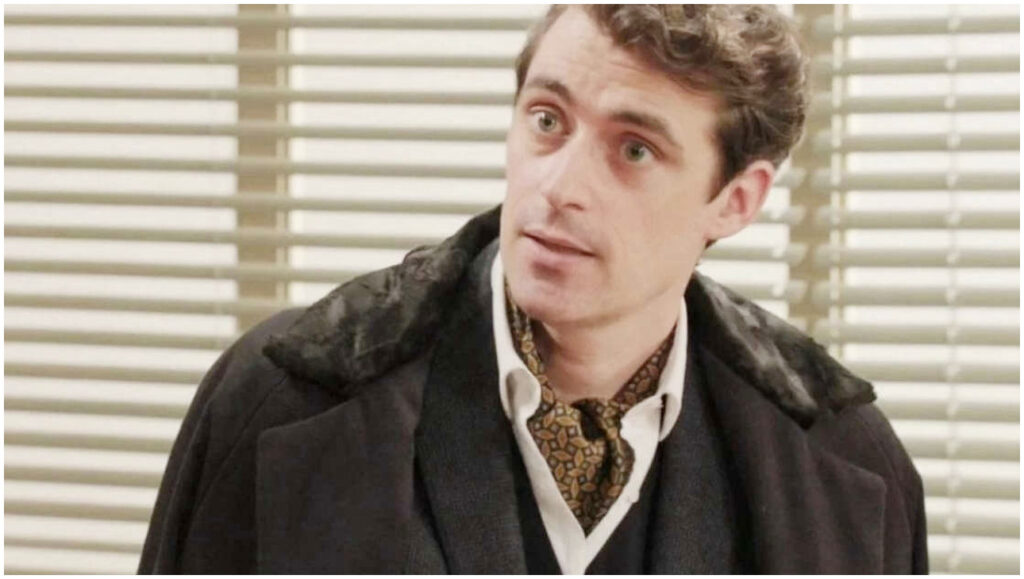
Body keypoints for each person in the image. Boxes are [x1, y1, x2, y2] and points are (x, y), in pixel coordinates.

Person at [139, 5, 927, 574]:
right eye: (548, 120)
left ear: (735, 200)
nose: (560, 186)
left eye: (634, 149)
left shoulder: (851, 471)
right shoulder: (277, 402)